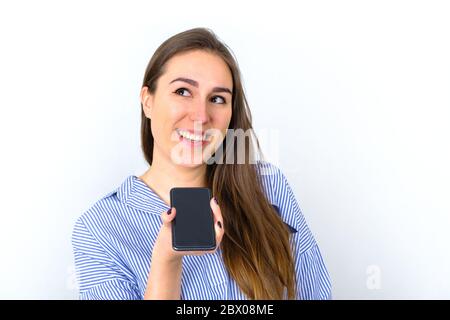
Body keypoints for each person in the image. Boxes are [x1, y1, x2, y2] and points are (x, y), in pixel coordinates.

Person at [71, 27, 332, 300]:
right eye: (183, 91)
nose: (200, 115)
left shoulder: (269, 187)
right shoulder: (99, 228)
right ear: (147, 101)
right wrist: (166, 261)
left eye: (217, 99)